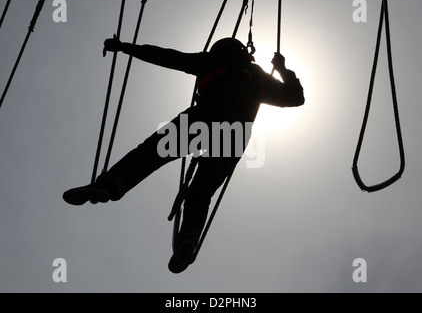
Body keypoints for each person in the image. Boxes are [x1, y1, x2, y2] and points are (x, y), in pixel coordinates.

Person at [63, 36, 305, 273]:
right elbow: (296, 98)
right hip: (237, 133)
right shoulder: (258, 76)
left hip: (209, 113)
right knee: (202, 190)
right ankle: (188, 239)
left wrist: (125, 47)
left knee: (153, 152)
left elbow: (167, 57)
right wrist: (283, 69)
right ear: (244, 51)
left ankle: (110, 184)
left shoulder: (213, 60)